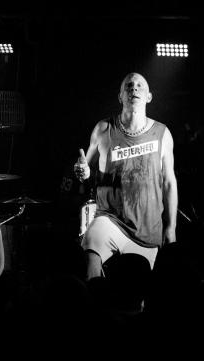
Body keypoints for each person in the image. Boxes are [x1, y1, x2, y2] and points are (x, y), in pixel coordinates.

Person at [73, 72, 178, 280]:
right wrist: (83, 171)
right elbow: (86, 170)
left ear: (149, 96)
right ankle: (93, 296)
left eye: (140, 85)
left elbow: (169, 182)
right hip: (110, 219)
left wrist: (171, 227)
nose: (134, 88)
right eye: (128, 85)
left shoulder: (162, 133)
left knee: (136, 290)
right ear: (120, 96)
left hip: (147, 230)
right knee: (91, 250)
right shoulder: (104, 129)